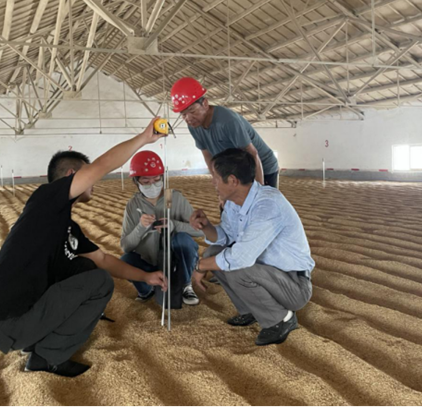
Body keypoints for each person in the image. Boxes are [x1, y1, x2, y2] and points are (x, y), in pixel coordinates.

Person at [0, 118, 167, 378]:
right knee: (100, 282)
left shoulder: (66, 226)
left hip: (19, 319)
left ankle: (37, 341)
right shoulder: (45, 198)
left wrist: (146, 277)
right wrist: (143, 138)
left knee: (86, 266)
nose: (94, 182)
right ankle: (46, 357)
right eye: (87, 175)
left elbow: (103, 259)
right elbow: (102, 166)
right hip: (9, 322)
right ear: (72, 175)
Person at [189, 148, 314, 346]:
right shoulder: (234, 202)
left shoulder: (268, 205)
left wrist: (200, 266)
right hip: (267, 273)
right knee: (215, 253)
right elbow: (226, 237)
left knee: (238, 267)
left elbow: (240, 258)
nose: (213, 182)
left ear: (232, 180)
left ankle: (281, 319)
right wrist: (207, 227)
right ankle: (251, 310)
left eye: (215, 177)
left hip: (293, 285)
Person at [120, 151, 203, 306]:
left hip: (175, 261)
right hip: (148, 261)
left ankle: (186, 284)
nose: (152, 184)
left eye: (157, 179)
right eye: (146, 181)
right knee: (125, 261)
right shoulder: (133, 205)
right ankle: (146, 290)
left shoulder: (174, 197)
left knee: (183, 240)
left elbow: (200, 230)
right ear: (136, 181)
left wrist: (174, 225)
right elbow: (126, 246)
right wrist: (140, 227)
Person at [171, 77, 280, 188]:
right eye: (183, 114)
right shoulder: (194, 127)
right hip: (238, 169)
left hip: (263, 166)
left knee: (259, 198)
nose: (188, 118)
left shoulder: (228, 121)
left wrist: (260, 191)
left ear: (205, 103)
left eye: (192, 111)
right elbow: (208, 155)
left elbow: (252, 154)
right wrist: (217, 182)